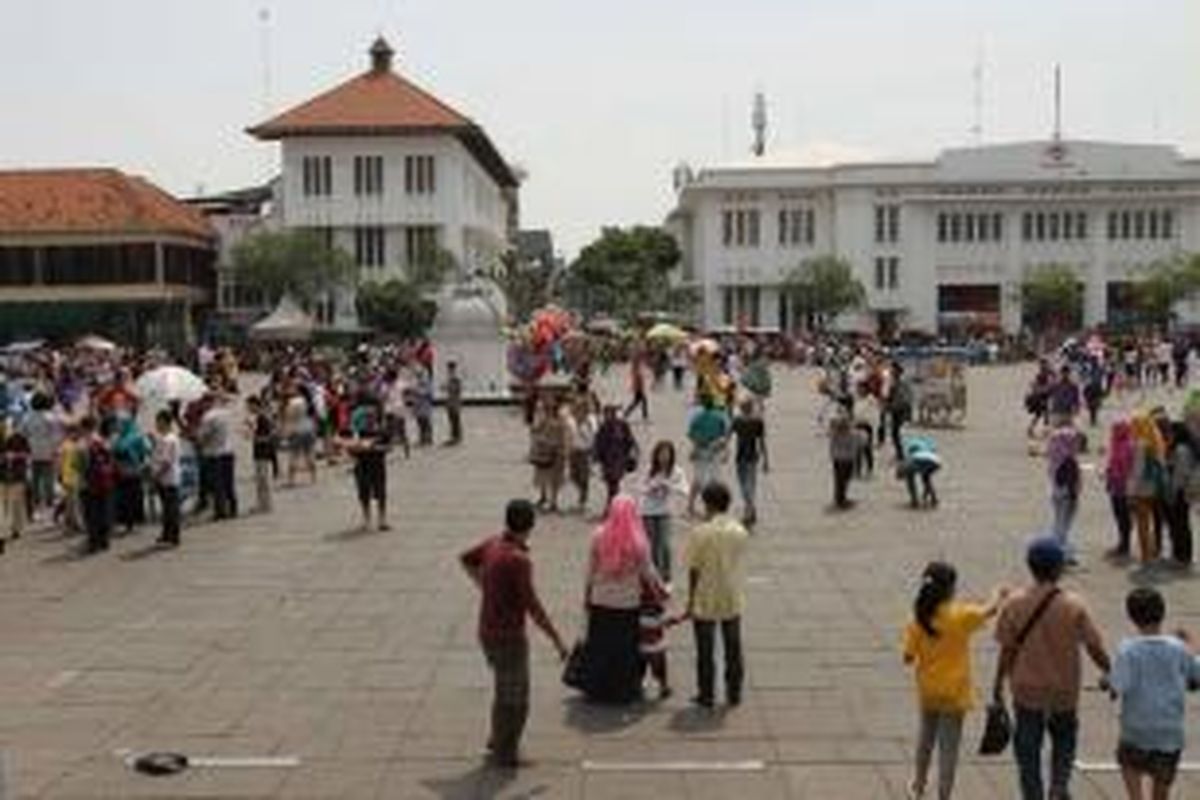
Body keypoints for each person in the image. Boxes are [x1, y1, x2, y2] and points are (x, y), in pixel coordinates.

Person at [994, 537, 1111, 800]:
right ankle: (1058, 786)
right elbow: (1094, 646)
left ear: (1030, 567)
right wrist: (1110, 671)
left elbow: (1007, 650)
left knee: (1027, 750)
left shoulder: (1013, 603)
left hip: (1026, 690)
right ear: (1058, 568)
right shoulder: (1073, 605)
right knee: (1065, 739)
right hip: (1063, 690)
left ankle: (1032, 794)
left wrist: (997, 686)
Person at [459, 500, 568, 769]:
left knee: (503, 690)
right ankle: (506, 753)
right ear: (530, 526)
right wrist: (556, 639)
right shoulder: (518, 560)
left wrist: (483, 584)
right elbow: (533, 606)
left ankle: (497, 739)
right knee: (517, 699)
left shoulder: (494, 543)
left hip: (487, 631)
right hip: (508, 637)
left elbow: (465, 559)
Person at [902, 562, 1008, 800]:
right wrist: (998, 593)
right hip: (954, 692)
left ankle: (918, 786)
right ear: (950, 588)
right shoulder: (960, 615)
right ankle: (944, 794)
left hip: (928, 691)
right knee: (948, 747)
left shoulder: (917, 619)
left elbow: (908, 657)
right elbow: (989, 610)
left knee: (925, 738)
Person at [1106, 587, 1200, 800]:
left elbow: (1117, 686)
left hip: (1136, 729)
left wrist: (1108, 682)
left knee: (1129, 764)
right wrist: (1192, 646)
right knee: (1161, 789)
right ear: (1162, 612)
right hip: (1169, 732)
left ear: (1132, 617)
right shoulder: (1178, 647)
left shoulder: (1127, 650)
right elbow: (1196, 674)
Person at [582, 495, 665, 704]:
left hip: (600, 600)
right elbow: (649, 573)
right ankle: (624, 689)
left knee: (599, 646)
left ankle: (596, 688)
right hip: (628, 603)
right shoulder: (638, 540)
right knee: (625, 649)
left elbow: (590, 571)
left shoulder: (598, 535)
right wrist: (661, 592)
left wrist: (586, 596)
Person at [682, 481, 749, 708]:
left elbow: (694, 569)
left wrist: (690, 601)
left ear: (707, 504)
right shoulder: (740, 531)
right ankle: (734, 693)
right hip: (731, 595)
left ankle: (707, 694)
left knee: (705, 649)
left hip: (705, 597)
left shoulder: (700, 533)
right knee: (733, 647)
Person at [640, 440, 689, 583]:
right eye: (661, 453)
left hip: (665, 511)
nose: (664, 457)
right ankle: (654, 577)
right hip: (647, 511)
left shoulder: (677, 471)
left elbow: (685, 489)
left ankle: (667, 577)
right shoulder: (649, 469)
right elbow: (640, 488)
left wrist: (670, 486)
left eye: (667, 454)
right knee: (652, 545)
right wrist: (652, 487)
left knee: (665, 544)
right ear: (656, 455)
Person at [345, 393, 391, 532]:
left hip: (378, 464)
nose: (370, 412)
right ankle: (367, 519)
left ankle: (382, 519)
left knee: (380, 491)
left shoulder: (382, 429)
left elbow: (388, 447)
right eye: (367, 409)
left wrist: (373, 446)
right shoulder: (358, 430)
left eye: (372, 409)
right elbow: (346, 446)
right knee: (363, 492)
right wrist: (356, 446)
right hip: (361, 464)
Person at [1129, 412, 1167, 564]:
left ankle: (1146, 555)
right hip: (1155, 486)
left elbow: (1137, 472)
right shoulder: (1156, 440)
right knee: (1153, 519)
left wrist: (1131, 493)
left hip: (1142, 488)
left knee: (1143, 523)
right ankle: (1153, 550)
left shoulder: (1140, 445)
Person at [1046, 418, 1084, 563]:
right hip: (1067, 494)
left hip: (1055, 491)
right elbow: (1073, 481)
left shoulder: (1055, 457)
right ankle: (1063, 552)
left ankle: (1058, 549)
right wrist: (1075, 493)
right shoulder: (1070, 460)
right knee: (1064, 524)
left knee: (1057, 521)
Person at [686, 395, 728, 516]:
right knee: (712, 480)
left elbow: (691, 434)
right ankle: (709, 506)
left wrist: (695, 446)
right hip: (714, 452)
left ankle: (691, 505)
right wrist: (725, 450)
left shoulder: (697, 417)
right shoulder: (719, 417)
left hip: (700, 451)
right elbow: (724, 436)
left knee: (698, 479)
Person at [20, 392, 60, 519]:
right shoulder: (50, 417)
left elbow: (22, 434)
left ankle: (36, 504)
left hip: (32, 451)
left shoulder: (27, 417)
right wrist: (56, 450)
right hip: (48, 451)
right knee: (49, 478)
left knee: (35, 480)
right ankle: (49, 502)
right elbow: (55, 436)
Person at [79, 416, 116, 554]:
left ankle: (93, 542)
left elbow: (81, 465)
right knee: (103, 510)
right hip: (105, 481)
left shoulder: (84, 443)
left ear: (83, 428)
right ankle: (104, 540)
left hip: (89, 483)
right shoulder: (104, 441)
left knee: (91, 513)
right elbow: (111, 460)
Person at [198, 393, 237, 520]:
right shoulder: (227, 413)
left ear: (206, 403)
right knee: (229, 482)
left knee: (217, 484)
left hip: (214, 453)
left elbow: (203, 436)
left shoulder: (208, 417)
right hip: (229, 451)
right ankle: (233, 507)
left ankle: (220, 511)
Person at [731, 398, 769, 527]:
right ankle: (751, 509)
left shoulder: (737, 421)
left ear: (741, 408)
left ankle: (749, 510)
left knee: (743, 485)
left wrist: (723, 450)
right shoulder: (758, 421)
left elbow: (727, 436)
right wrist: (766, 460)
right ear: (751, 408)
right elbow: (762, 442)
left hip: (740, 456)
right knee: (751, 485)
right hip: (753, 457)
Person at [594, 404, 638, 512]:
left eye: (610, 414)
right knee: (611, 484)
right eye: (606, 414)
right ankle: (613, 506)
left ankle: (611, 506)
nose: (608, 417)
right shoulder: (603, 427)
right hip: (607, 461)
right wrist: (596, 457)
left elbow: (630, 441)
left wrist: (632, 454)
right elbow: (598, 443)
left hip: (619, 459)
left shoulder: (622, 425)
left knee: (614, 483)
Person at [149, 410, 182, 547]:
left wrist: (156, 475)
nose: (156, 424)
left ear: (164, 422)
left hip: (167, 478)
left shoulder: (168, 440)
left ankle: (173, 536)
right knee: (167, 508)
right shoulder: (166, 438)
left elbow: (166, 462)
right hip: (168, 478)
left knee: (170, 509)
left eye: (158, 421)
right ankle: (167, 534)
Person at [529, 396, 567, 513]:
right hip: (546, 452)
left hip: (555, 452)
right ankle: (545, 498)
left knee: (554, 478)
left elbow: (563, 437)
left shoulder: (559, 421)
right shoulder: (546, 419)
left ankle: (552, 501)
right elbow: (534, 431)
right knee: (544, 477)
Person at [1105, 419, 1136, 560]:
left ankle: (1125, 544)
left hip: (1125, 488)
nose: (1115, 432)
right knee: (1118, 515)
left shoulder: (1129, 446)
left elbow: (1132, 469)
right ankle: (1122, 543)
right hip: (1115, 487)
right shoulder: (1115, 444)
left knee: (1125, 517)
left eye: (1117, 429)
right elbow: (1111, 463)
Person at [112, 416, 149, 534]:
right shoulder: (119, 437)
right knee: (125, 498)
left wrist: (140, 461)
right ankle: (127, 522)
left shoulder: (136, 437)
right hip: (123, 472)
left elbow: (145, 450)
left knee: (131, 498)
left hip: (131, 471)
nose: (119, 426)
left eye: (122, 424)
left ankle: (132, 523)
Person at [0, 421, 31, 550]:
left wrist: (15, 456)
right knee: (4, 505)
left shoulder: (20, 438)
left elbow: (28, 454)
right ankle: (5, 531)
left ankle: (17, 528)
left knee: (17, 504)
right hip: (2, 476)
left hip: (18, 475)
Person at [564, 398, 597, 513]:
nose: (578, 410)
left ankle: (583, 499)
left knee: (584, 477)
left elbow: (593, 436)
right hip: (573, 451)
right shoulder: (570, 421)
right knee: (573, 476)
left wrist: (593, 452)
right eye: (576, 408)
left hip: (584, 452)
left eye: (580, 408)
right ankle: (581, 494)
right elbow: (567, 435)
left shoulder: (590, 421)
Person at [246, 396, 275, 514]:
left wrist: (253, 435)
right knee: (261, 479)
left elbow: (267, 437)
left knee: (263, 479)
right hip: (260, 451)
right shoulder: (261, 417)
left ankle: (264, 504)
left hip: (262, 451)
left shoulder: (262, 418)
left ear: (255, 405)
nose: (248, 408)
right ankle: (263, 503)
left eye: (249, 405)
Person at [829, 411, 861, 510]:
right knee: (845, 479)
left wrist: (832, 455)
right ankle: (841, 499)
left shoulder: (835, 434)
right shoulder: (852, 434)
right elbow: (858, 444)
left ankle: (839, 498)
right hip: (847, 460)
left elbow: (832, 446)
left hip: (837, 459)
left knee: (839, 480)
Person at [898, 435, 941, 509]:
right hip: (935, 461)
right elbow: (934, 449)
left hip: (917, 459)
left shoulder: (908, 444)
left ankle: (914, 500)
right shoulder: (928, 442)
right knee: (926, 478)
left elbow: (906, 458)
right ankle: (933, 498)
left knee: (910, 478)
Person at [623, 351, 649, 421]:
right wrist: (638, 386)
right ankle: (644, 416)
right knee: (641, 401)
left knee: (638, 401)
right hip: (638, 386)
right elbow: (637, 377)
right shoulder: (636, 367)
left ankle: (626, 413)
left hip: (638, 386)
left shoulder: (636, 366)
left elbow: (636, 375)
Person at [443, 361, 464, 446]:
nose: (449, 370)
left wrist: (448, 387)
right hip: (450, 401)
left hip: (455, 402)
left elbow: (457, 389)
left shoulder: (455, 378)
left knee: (455, 420)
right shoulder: (450, 378)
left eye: (450, 368)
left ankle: (457, 437)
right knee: (452, 420)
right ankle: (454, 436)